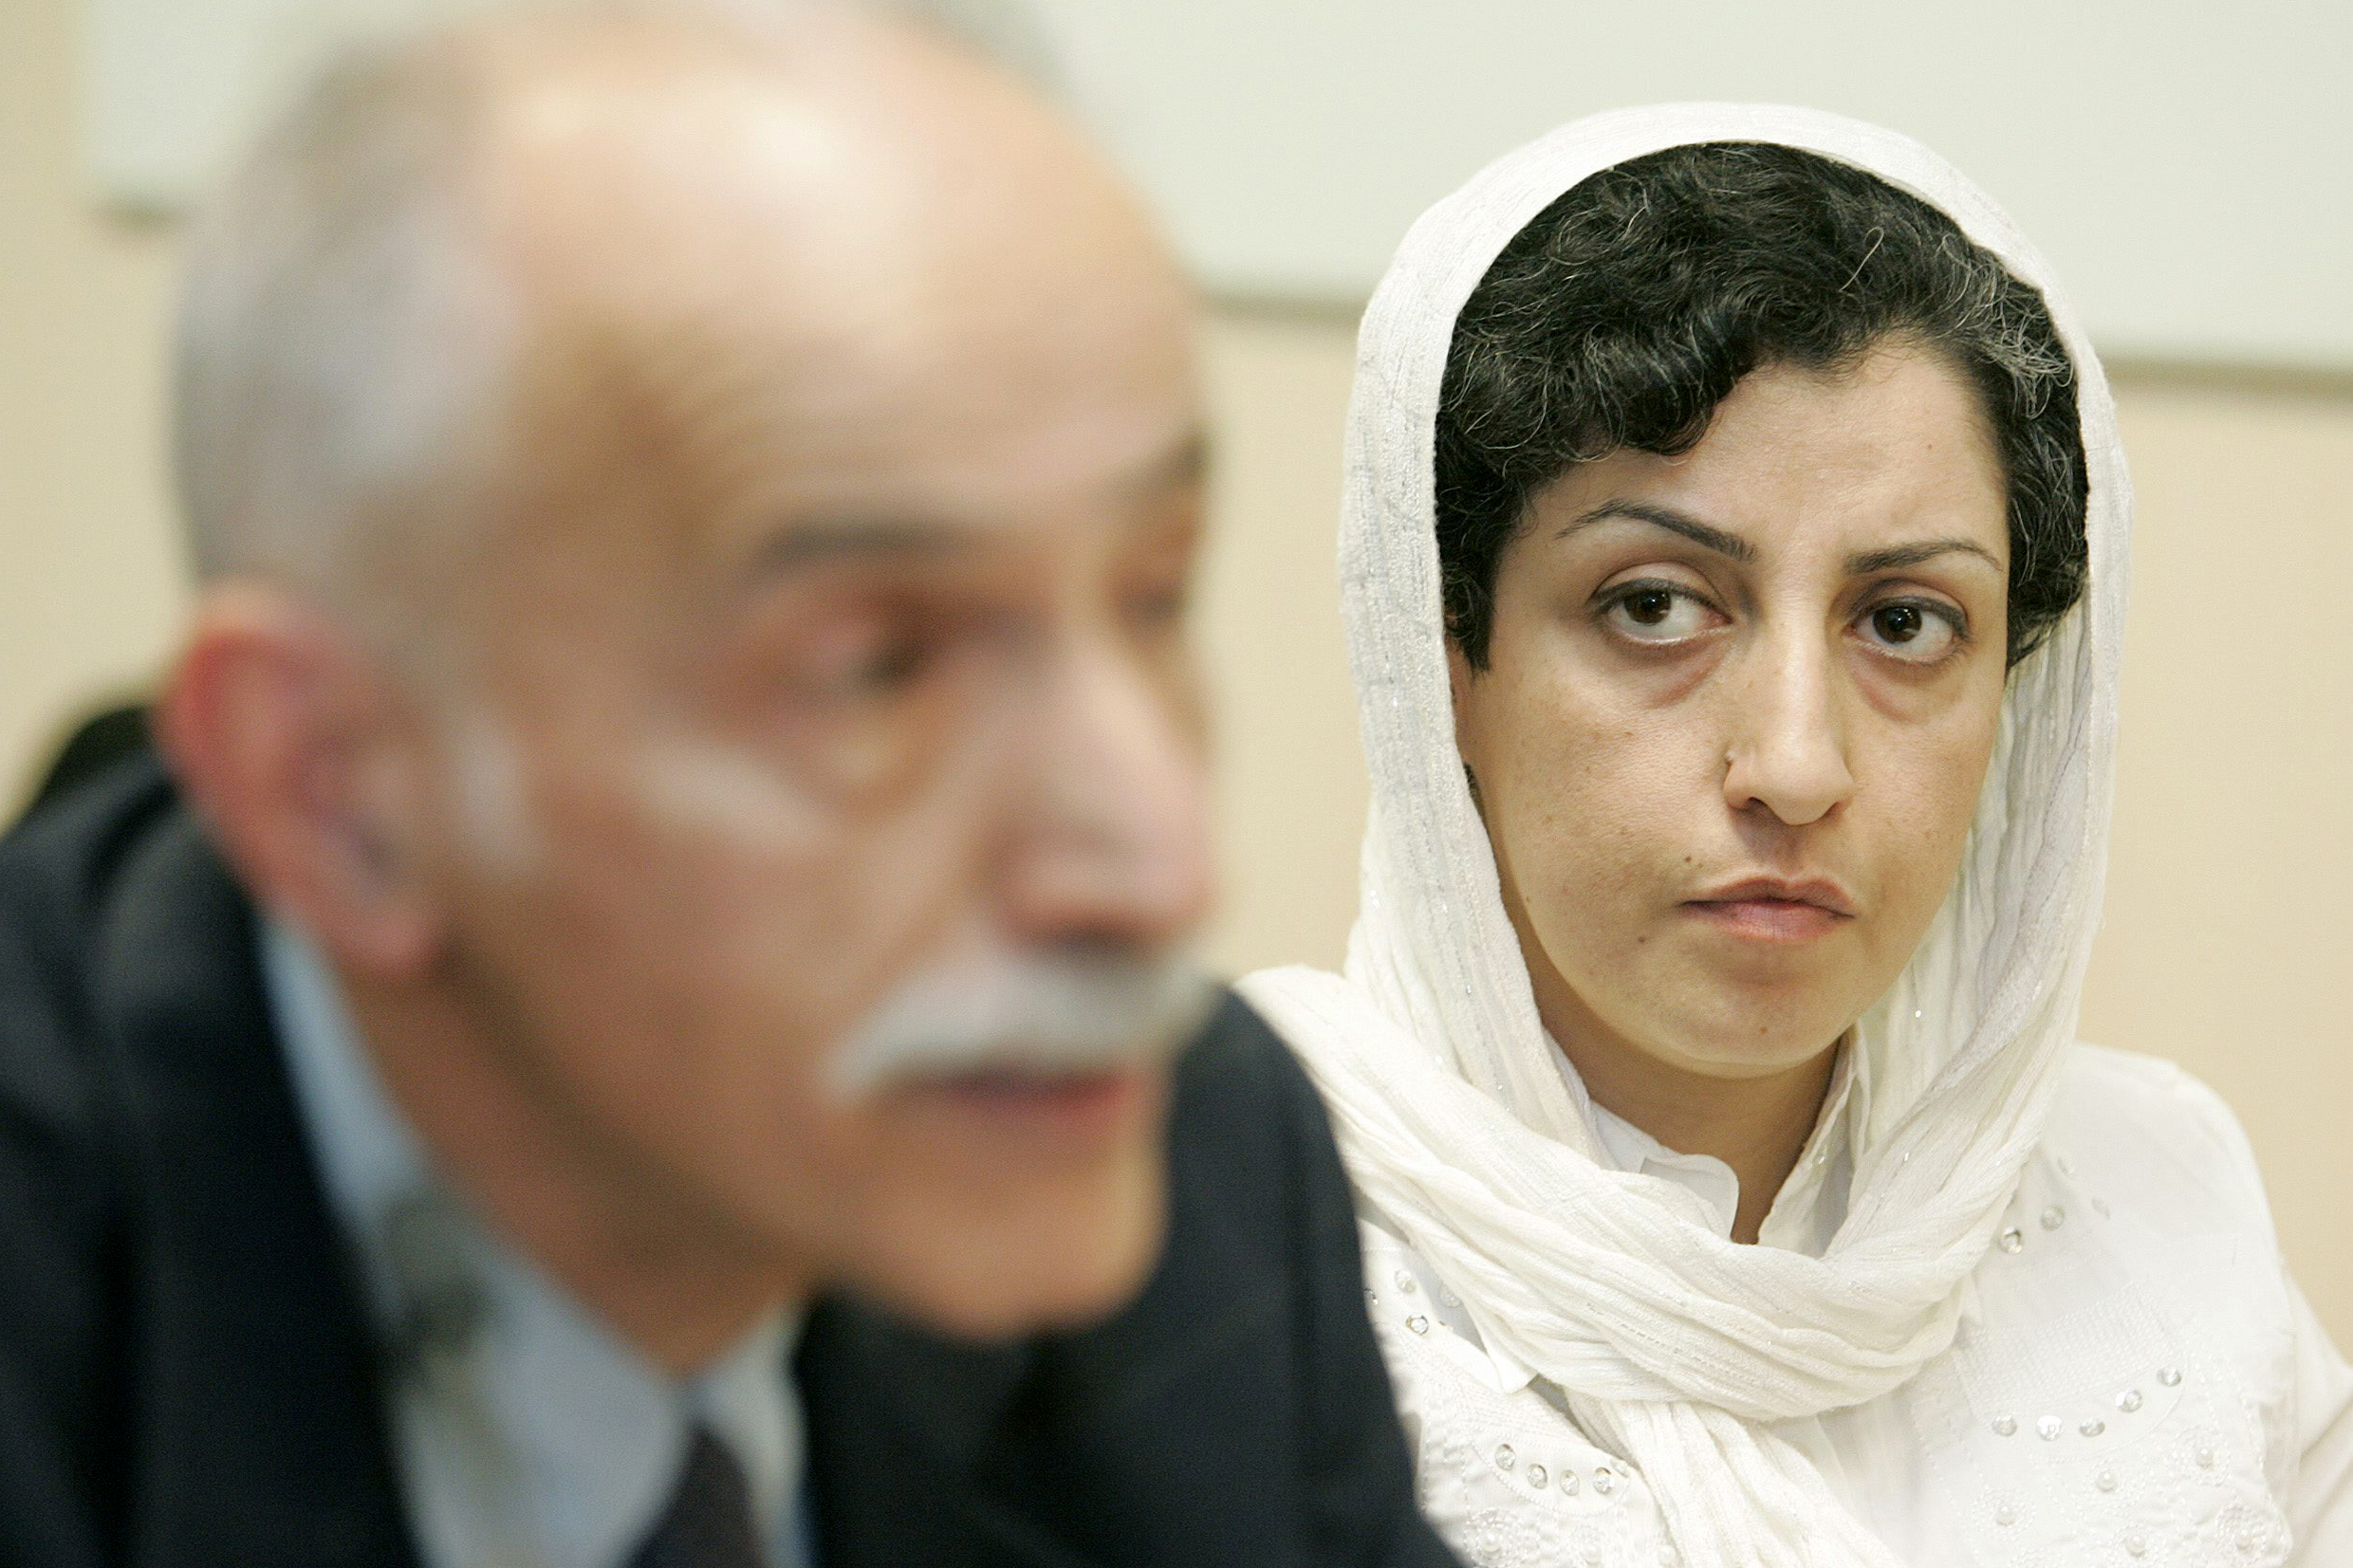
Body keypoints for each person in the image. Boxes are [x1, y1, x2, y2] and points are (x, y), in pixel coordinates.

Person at [0, 7, 1457, 1566]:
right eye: (876, 667)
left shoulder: (1195, 1171)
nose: (1159, 868)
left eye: (1152, 595)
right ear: (334, 788)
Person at [1241, 105, 2353, 1567]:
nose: (1796, 763)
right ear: (1445, 657)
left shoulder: (2160, 1200)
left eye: (1905, 624)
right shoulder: (1213, 1245)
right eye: (1654, 603)